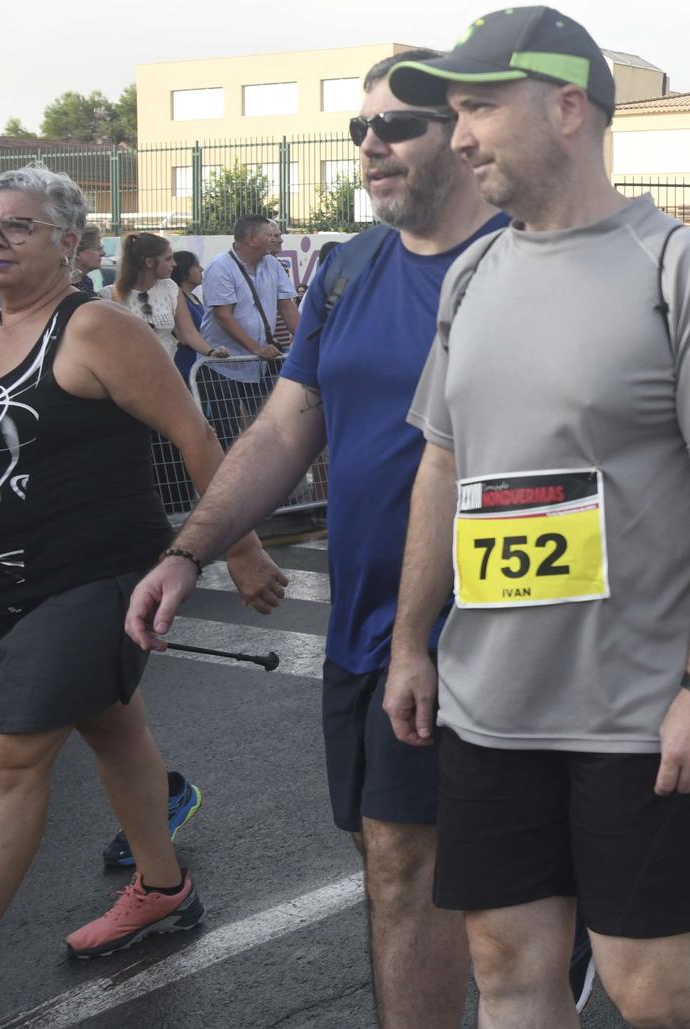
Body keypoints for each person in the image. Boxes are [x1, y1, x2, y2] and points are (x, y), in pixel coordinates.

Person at [365, 7, 690, 1029]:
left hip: (636, 709)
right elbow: (443, 462)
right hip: (491, 702)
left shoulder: (676, 268)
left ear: (566, 108)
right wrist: (412, 642)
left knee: (654, 989)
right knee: (507, 964)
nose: (458, 134)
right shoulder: (472, 274)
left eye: (477, 107)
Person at [122, 50, 559, 1026]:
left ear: (460, 131)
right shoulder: (347, 269)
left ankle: (543, 961)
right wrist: (191, 549)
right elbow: (285, 424)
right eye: (360, 128)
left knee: (477, 900)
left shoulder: (538, 261)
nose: (371, 144)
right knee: (394, 862)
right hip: (369, 631)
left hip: (510, 630)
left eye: (395, 124)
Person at [0, 168, 286, 1028]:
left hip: (96, 578)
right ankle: (165, 886)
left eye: (17, 227)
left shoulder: (93, 326)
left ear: (69, 242)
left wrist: (240, 548)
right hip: (3, 585)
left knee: (8, 764)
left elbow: (197, 434)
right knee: (114, 725)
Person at [198, 214, 299, 446]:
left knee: (268, 428)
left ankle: (267, 478)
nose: (275, 239)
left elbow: (287, 306)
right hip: (223, 366)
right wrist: (257, 348)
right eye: (269, 234)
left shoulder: (272, 264)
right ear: (252, 239)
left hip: (259, 365)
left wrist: (308, 343)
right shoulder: (221, 266)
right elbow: (223, 316)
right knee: (229, 431)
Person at [110, 233, 225, 366]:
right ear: (149, 262)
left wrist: (210, 352)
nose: (174, 264)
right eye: (168, 259)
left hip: (165, 369)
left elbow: (189, 332)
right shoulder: (111, 295)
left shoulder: (171, 288)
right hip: (129, 369)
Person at [168, 251, 209, 383]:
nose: (201, 269)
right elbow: (183, 337)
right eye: (196, 266)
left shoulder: (193, 298)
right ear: (184, 270)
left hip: (198, 367)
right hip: (184, 368)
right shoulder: (177, 300)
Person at [69, 222, 106, 295]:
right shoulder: (63, 288)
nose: (103, 253)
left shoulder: (86, 281)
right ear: (76, 253)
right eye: (98, 248)